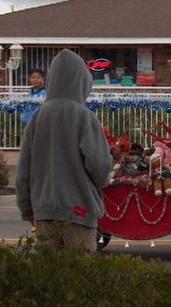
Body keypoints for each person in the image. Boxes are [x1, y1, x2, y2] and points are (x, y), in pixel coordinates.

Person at [16, 49, 113, 252]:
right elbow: (100, 165)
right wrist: (101, 182)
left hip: (44, 211)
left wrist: (28, 209)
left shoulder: (36, 118)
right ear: (82, 82)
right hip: (80, 211)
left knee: (48, 276)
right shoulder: (84, 117)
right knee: (78, 275)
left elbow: (23, 170)